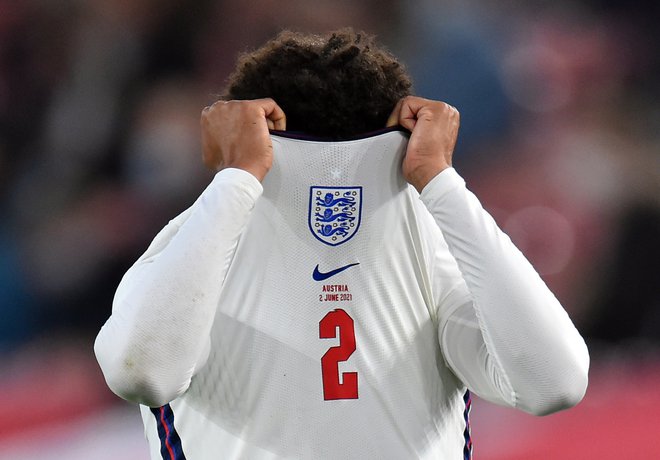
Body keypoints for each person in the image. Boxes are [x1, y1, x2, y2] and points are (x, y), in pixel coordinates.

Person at [94, 29, 589, 459]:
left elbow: (553, 383)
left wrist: (236, 177)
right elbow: (148, 373)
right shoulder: (433, 245)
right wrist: (440, 181)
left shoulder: (188, 244)